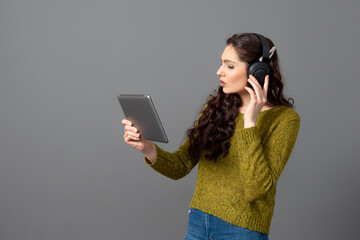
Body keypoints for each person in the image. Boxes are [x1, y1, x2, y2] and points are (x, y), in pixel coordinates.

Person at [122, 32, 300, 240]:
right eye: (221, 64)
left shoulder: (284, 119)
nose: (219, 71)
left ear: (257, 72)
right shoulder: (215, 108)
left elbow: (256, 189)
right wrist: (147, 148)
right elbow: (180, 166)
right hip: (198, 223)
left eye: (230, 66)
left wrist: (250, 123)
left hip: (242, 230)